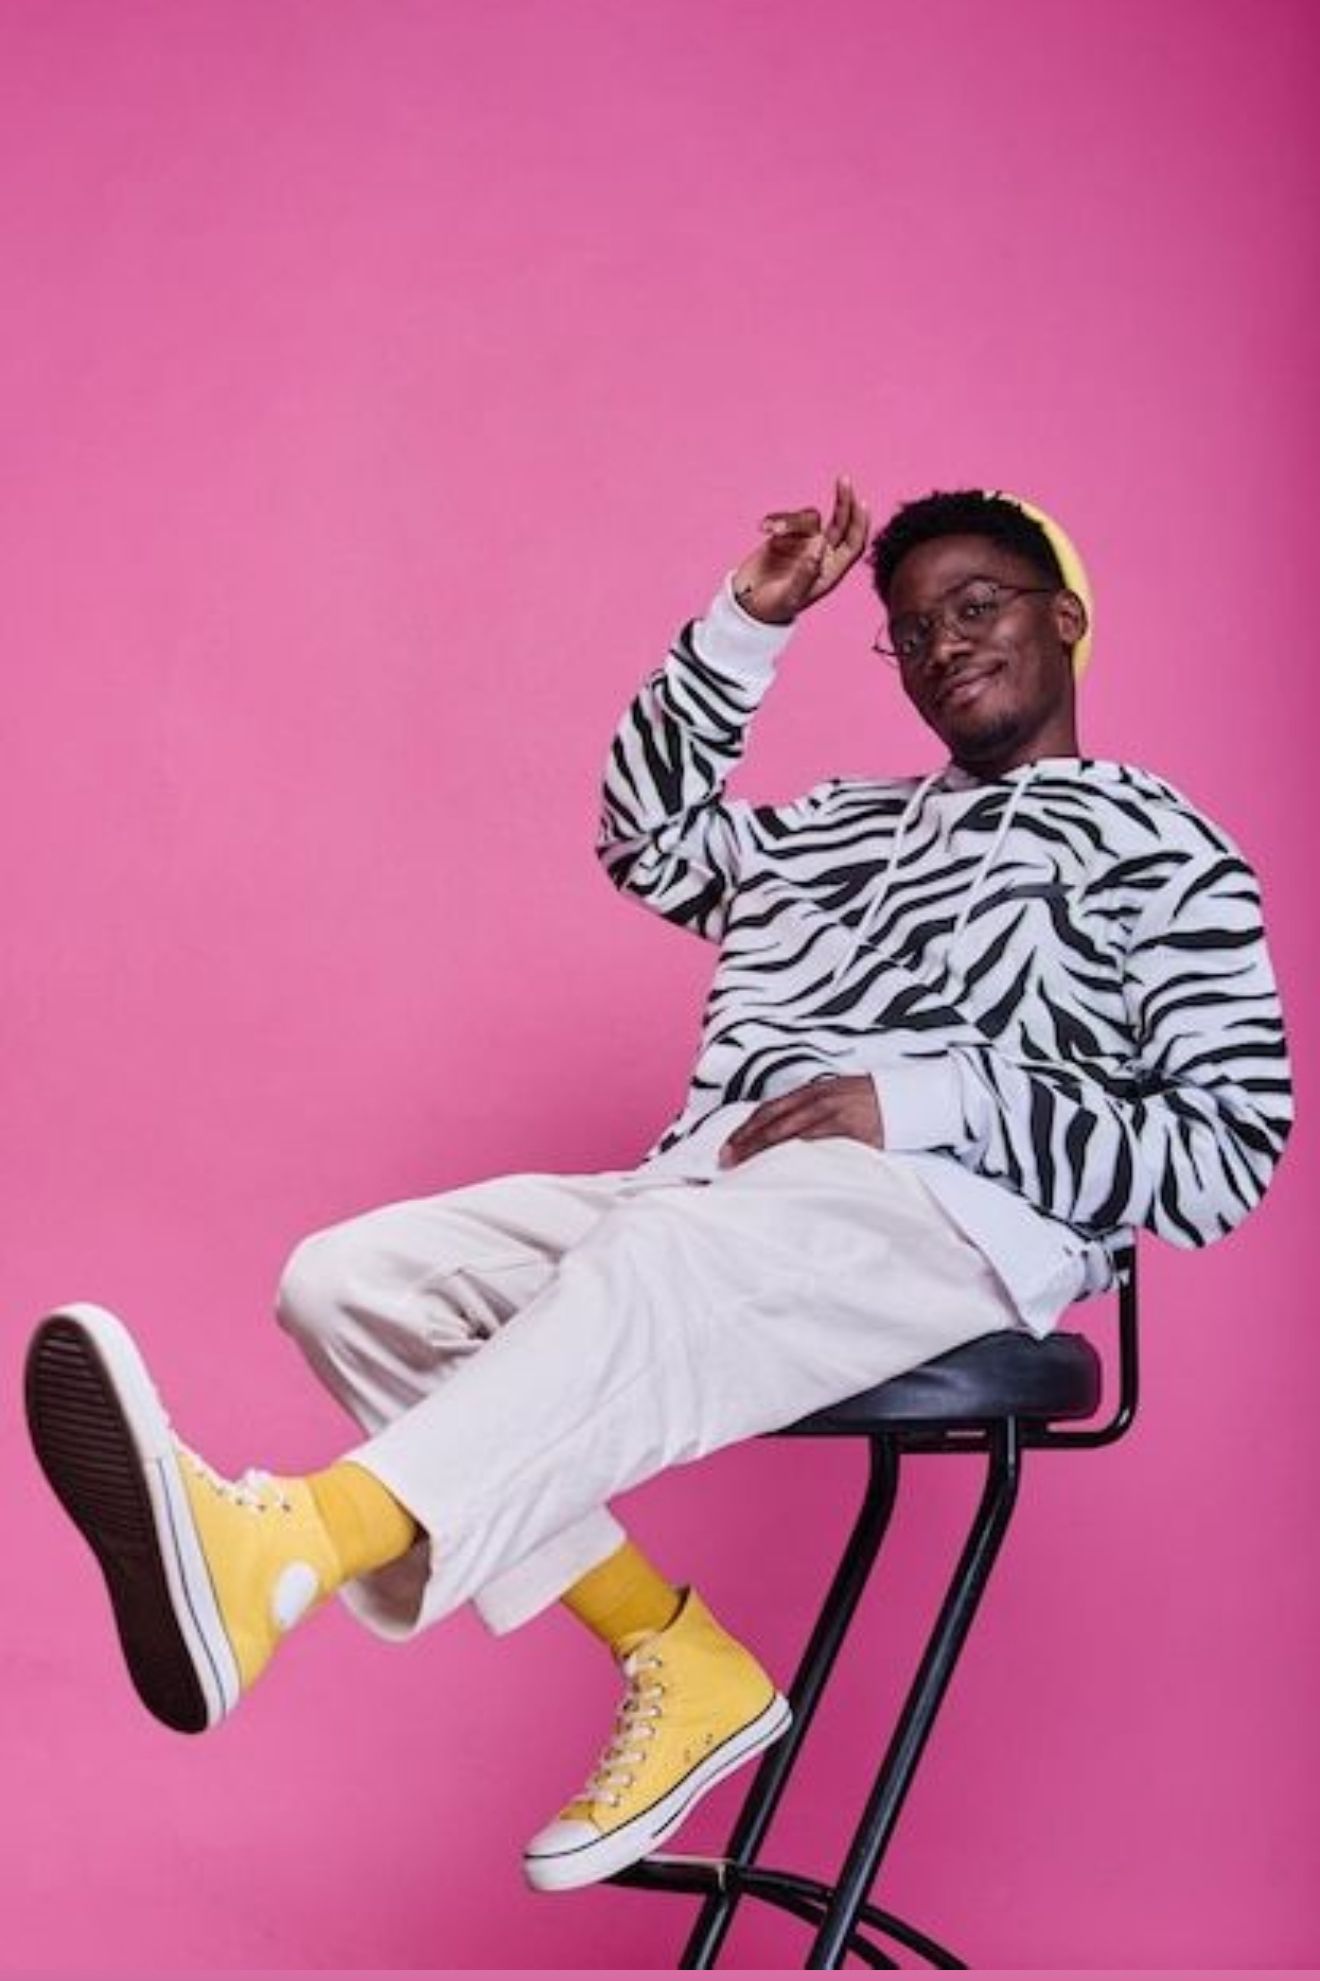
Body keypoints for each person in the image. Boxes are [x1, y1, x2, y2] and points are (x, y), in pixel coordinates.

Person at [24, 482, 1293, 1895]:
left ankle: (295, 1542)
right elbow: (648, 837)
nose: (943, 645)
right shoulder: (835, 831)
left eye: (978, 606)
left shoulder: (1166, 849)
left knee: (677, 1250)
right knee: (345, 1281)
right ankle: (672, 1652)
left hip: (955, 1221)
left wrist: (928, 1098)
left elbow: (1228, 1145)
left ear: (1066, 616)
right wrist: (745, 628)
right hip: (715, 1193)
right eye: (913, 629)